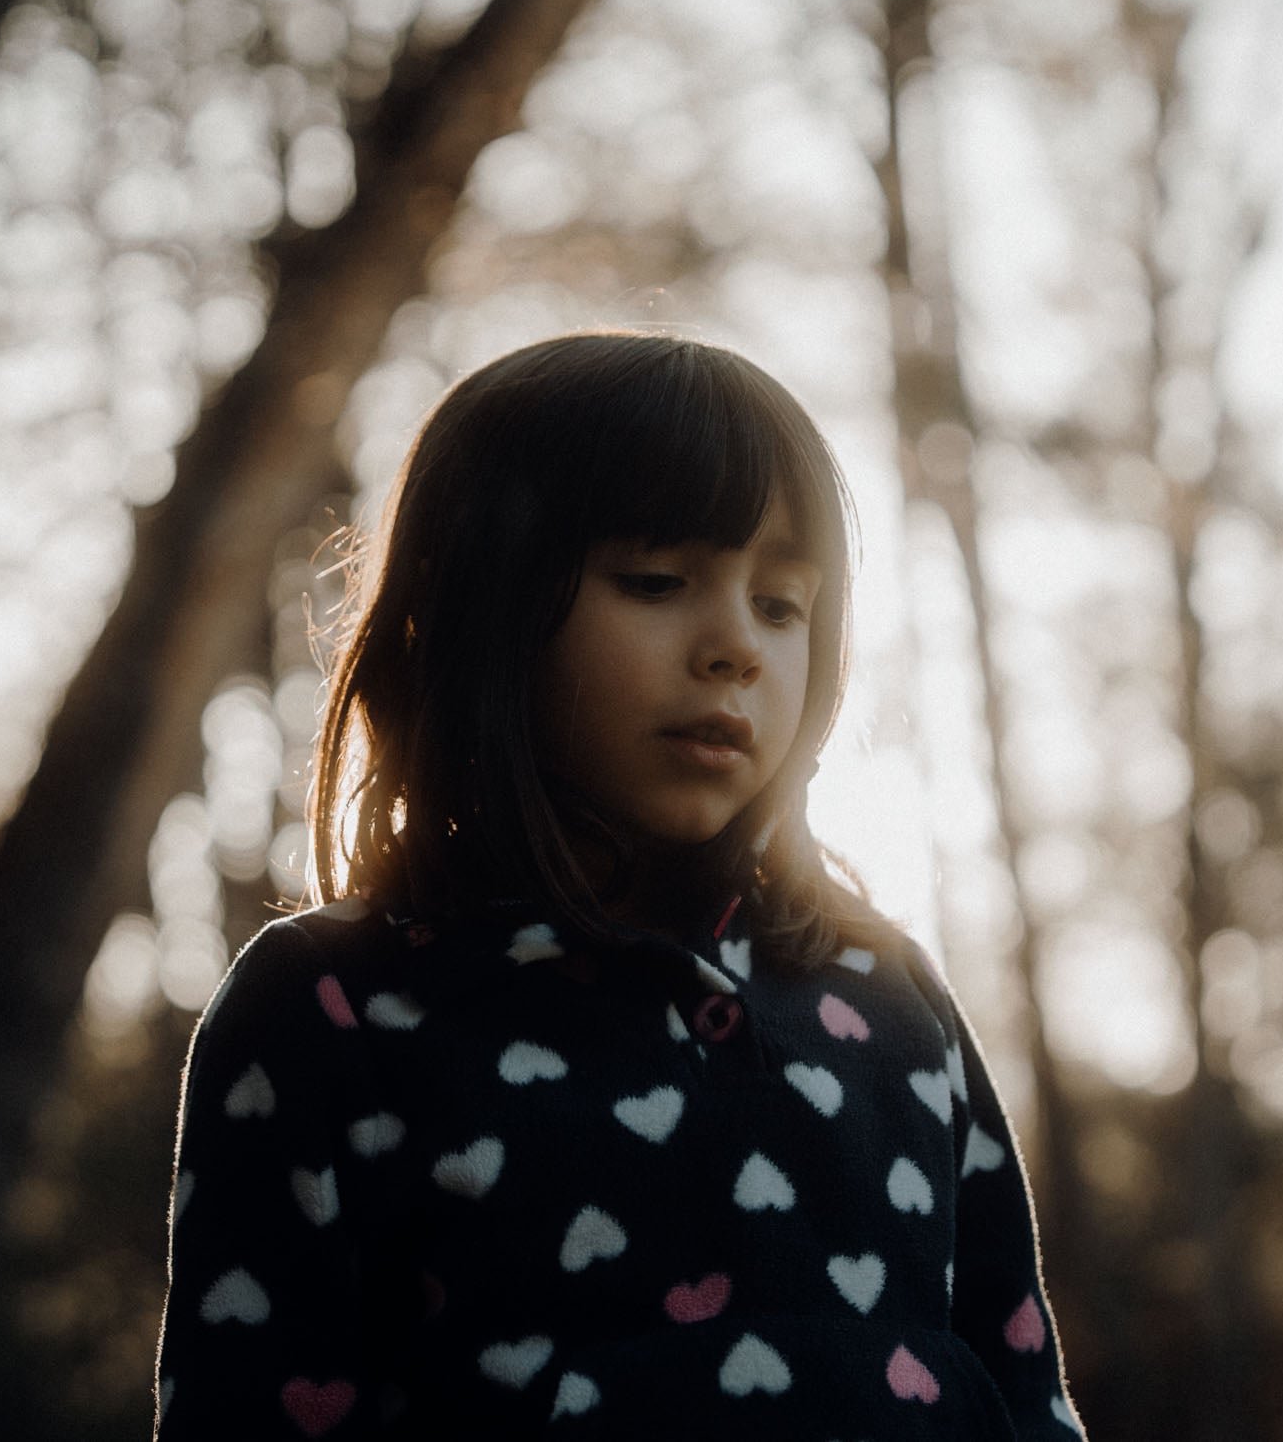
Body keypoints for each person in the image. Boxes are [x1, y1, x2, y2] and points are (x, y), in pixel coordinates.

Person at [153, 332, 1080, 1439]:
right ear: (482, 612)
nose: (736, 645)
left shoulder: (889, 994)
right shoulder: (337, 1009)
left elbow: (1020, 1390)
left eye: (783, 605)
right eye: (655, 581)